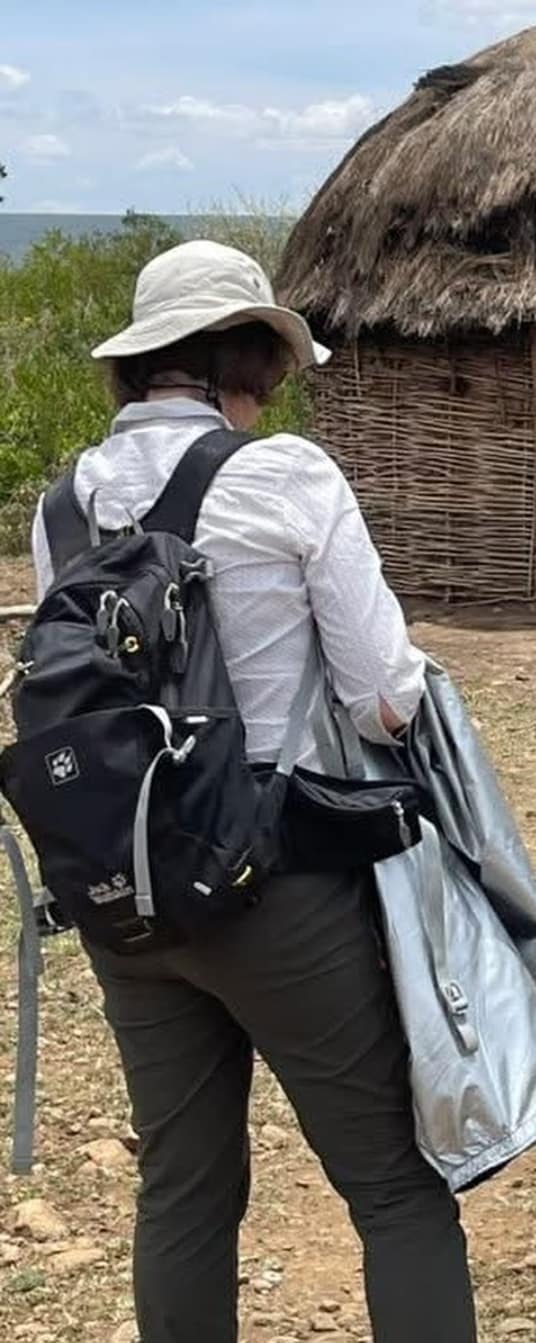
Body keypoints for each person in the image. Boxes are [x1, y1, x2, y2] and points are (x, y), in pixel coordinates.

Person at [30, 240, 478, 1343]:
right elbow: (383, 694)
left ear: (137, 365)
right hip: (270, 879)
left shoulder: (63, 506)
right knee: (393, 1186)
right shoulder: (286, 475)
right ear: (252, 359)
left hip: (124, 892)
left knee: (183, 1189)